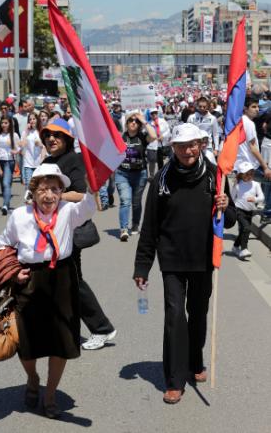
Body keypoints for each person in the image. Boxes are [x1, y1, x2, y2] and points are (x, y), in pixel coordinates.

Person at [133, 123, 236, 405]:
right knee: (175, 316)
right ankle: (175, 379)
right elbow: (150, 227)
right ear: (173, 149)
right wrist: (142, 266)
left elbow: (231, 220)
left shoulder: (216, 176)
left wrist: (226, 206)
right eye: (181, 146)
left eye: (192, 145)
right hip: (173, 259)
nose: (187, 151)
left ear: (201, 145)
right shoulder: (162, 181)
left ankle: (195, 360)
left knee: (198, 313)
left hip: (203, 258)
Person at [0, 163, 96, 418]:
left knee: (60, 341)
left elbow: (88, 208)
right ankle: (32, 377)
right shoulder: (20, 216)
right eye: (43, 189)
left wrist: (94, 187)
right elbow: (1, 245)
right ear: (33, 191)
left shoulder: (69, 211)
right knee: (26, 341)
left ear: (61, 191)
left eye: (54, 189)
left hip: (62, 278)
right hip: (28, 279)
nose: (49, 195)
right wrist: (13, 272)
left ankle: (49, 395)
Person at [40, 119, 117, 350]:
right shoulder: (47, 161)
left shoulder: (74, 159)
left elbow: (81, 194)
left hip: (70, 229)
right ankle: (65, 328)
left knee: (72, 282)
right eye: (48, 135)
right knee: (59, 282)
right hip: (50, 231)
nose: (51, 139)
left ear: (67, 139)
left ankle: (102, 328)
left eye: (58, 135)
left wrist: (54, 196)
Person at [115, 110, 156, 241]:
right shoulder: (120, 137)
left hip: (140, 174)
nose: (133, 123)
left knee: (136, 202)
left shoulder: (142, 137)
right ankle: (123, 229)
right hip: (122, 174)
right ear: (126, 123)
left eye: (136, 121)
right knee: (125, 200)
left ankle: (135, 224)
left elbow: (154, 136)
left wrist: (144, 121)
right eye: (131, 120)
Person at [231, 161, 264, 259]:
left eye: (251, 174)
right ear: (241, 175)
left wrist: (255, 199)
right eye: (247, 174)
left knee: (243, 231)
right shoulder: (237, 185)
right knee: (246, 228)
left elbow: (261, 197)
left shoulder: (256, 184)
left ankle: (235, 246)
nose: (249, 176)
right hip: (239, 210)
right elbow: (232, 199)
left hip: (250, 212)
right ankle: (244, 249)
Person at [0, 117, 20, 215]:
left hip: (9, 161)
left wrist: (15, 150)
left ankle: (4, 205)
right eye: (2, 123)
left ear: (10, 124)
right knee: (3, 185)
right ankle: (7, 205)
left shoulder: (14, 135)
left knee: (6, 183)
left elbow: (19, 146)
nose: (4, 125)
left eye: (6, 123)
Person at [20, 113, 44, 188]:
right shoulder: (25, 132)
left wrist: (40, 144)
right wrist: (26, 130)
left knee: (38, 186)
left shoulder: (41, 131)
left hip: (39, 163)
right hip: (28, 163)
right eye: (30, 119)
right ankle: (29, 199)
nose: (32, 121)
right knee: (29, 186)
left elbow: (45, 147)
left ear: (37, 120)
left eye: (34, 119)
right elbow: (22, 145)